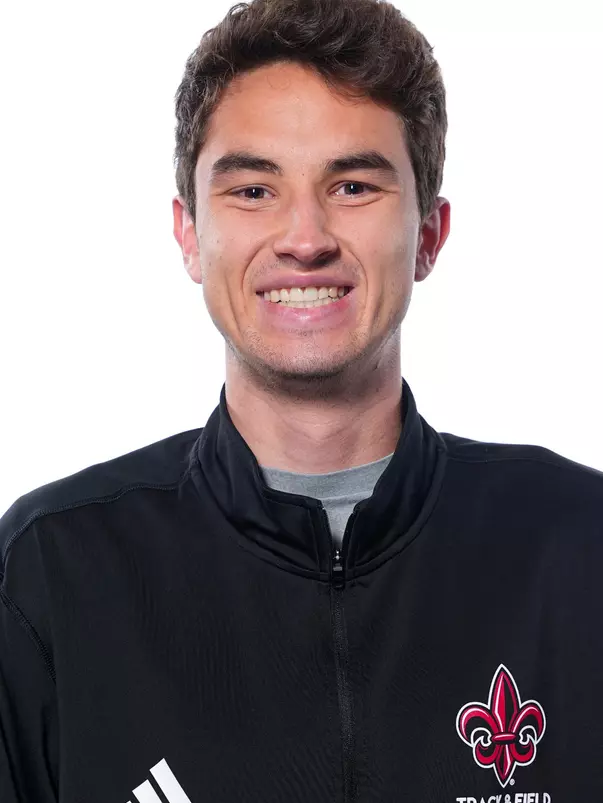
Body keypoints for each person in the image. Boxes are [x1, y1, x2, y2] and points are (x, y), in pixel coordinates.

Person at [1, 0, 602, 800]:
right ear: (189, 233)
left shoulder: (576, 546)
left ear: (428, 235)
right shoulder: (53, 570)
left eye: (352, 185)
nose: (304, 236)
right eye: (252, 189)